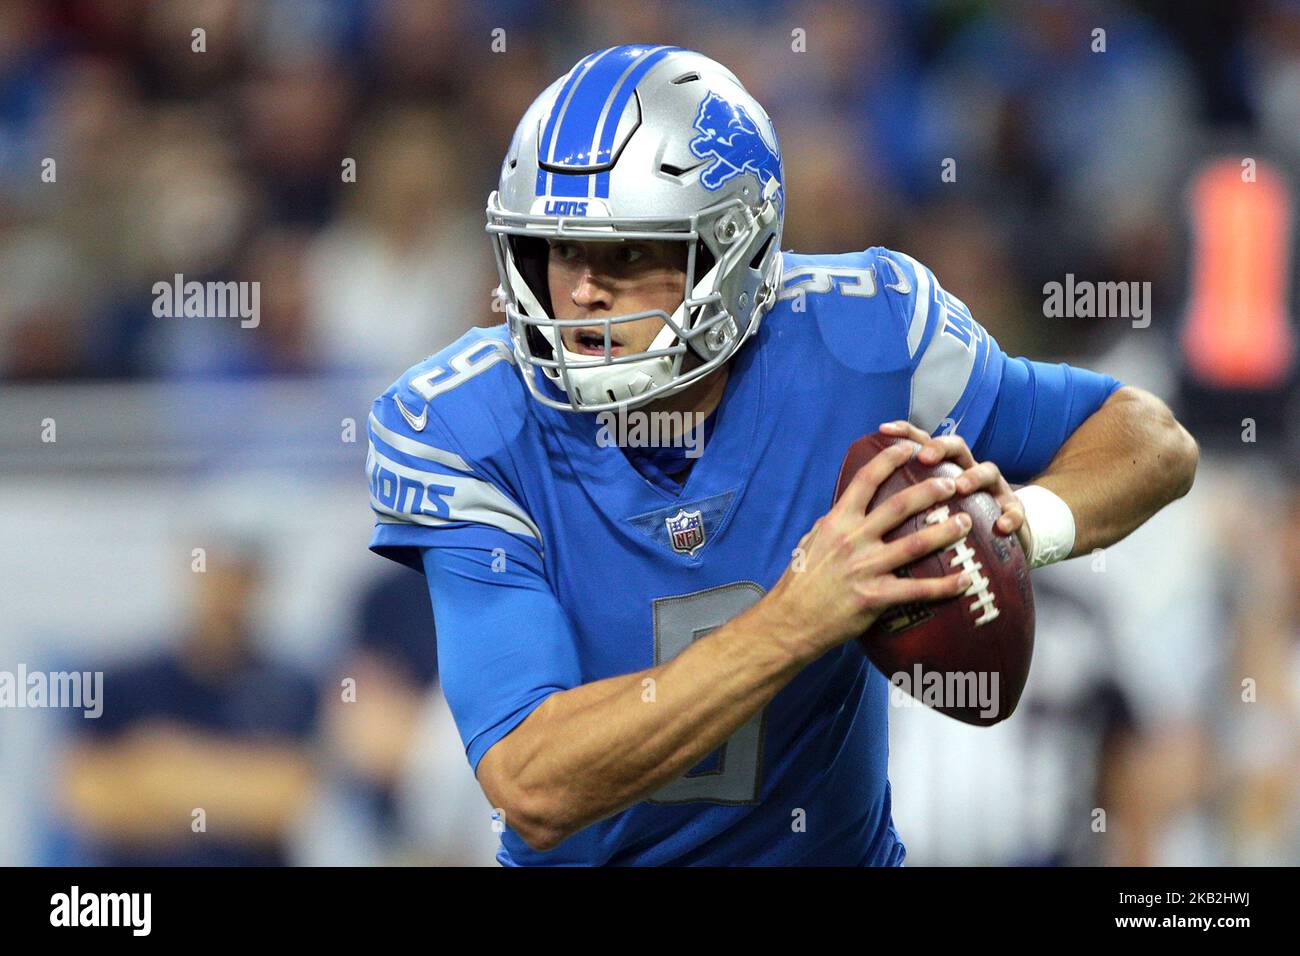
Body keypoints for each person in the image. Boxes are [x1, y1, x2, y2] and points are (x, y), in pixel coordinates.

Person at [364, 45, 1198, 865]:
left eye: (627, 254)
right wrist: (798, 618)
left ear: (735, 253)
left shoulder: (864, 340)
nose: (581, 292)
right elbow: (531, 785)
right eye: (558, 250)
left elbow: (1150, 439)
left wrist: (1024, 523)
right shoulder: (462, 425)